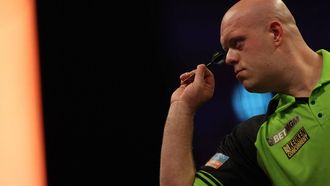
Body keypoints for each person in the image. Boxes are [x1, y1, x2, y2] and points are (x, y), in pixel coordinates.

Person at [160, 0, 330, 185]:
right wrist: (182, 106)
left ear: (275, 33)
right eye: (226, 50)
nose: (229, 59)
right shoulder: (252, 140)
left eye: (237, 43)